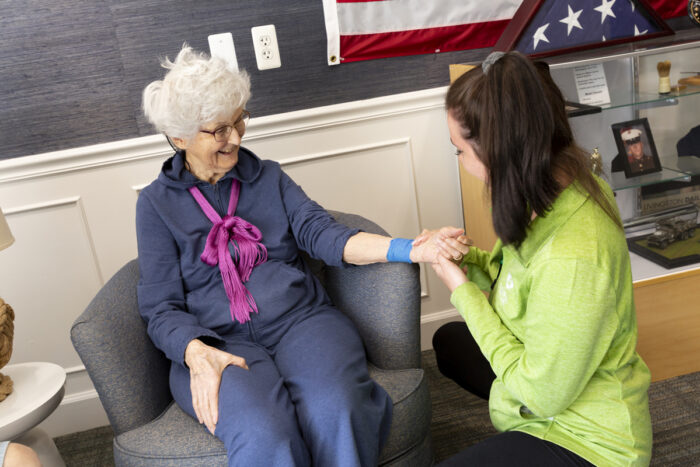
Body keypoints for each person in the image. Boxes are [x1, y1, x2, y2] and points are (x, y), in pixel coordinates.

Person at [137, 45, 464, 467]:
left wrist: (410, 248)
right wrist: (196, 353)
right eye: (219, 130)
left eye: (240, 120)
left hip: (301, 323)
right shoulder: (155, 205)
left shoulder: (268, 177)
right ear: (179, 137)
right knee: (263, 435)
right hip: (217, 342)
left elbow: (324, 234)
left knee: (338, 408)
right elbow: (160, 307)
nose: (235, 138)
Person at [428, 51, 653, 466]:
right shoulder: (551, 184)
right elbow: (518, 277)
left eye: (459, 150)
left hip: (592, 441)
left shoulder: (573, 257)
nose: (459, 160)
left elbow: (542, 394)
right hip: (547, 381)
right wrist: (467, 261)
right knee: (448, 344)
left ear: (496, 150)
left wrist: (462, 292)